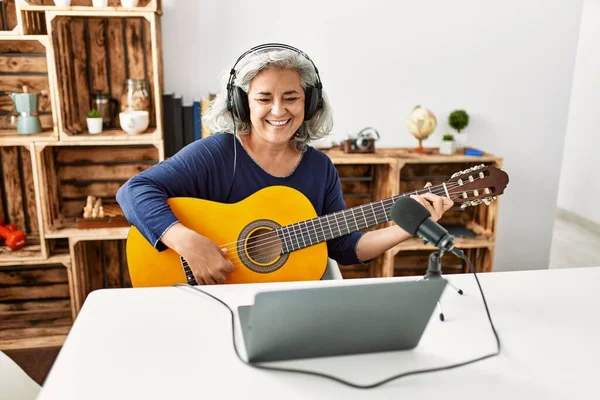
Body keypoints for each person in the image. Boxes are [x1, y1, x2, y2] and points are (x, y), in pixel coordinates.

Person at [116, 44, 453, 285]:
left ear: (310, 103)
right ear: (241, 104)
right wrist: (187, 242)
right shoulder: (219, 152)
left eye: (291, 97)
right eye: (264, 98)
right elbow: (134, 190)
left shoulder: (319, 168)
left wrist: (407, 226)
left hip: (284, 306)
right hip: (208, 299)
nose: (278, 111)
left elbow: (344, 248)